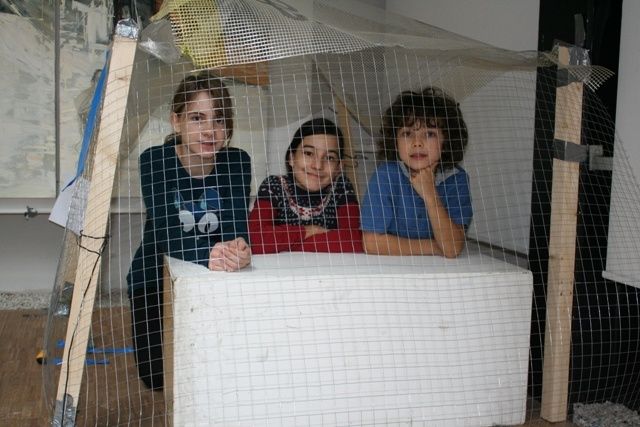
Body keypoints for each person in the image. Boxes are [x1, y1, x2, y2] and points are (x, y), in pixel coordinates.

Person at [126, 71, 252, 390]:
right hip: (153, 278)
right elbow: (167, 233)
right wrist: (212, 253)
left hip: (215, 278)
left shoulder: (238, 162)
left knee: (215, 374)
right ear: (176, 121)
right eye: (197, 118)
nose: (210, 130)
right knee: (157, 378)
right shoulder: (155, 160)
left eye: (219, 119)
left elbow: (237, 226)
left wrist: (240, 250)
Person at [360, 87, 472, 258]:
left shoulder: (456, 178)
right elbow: (371, 243)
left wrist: (430, 194)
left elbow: (452, 249)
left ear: (446, 141)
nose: (417, 143)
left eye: (429, 134)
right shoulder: (385, 175)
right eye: (407, 133)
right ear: (395, 142)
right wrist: (436, 247)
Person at [249, 118, 362, 253]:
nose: (318, 166)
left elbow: (354, 240)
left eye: (329, 157)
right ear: (291, 158)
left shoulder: (341, 187)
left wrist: (286, 245)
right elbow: (255, 239)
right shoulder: (273, 185)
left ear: (339, 167)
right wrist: (309, 231)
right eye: (308, 153)